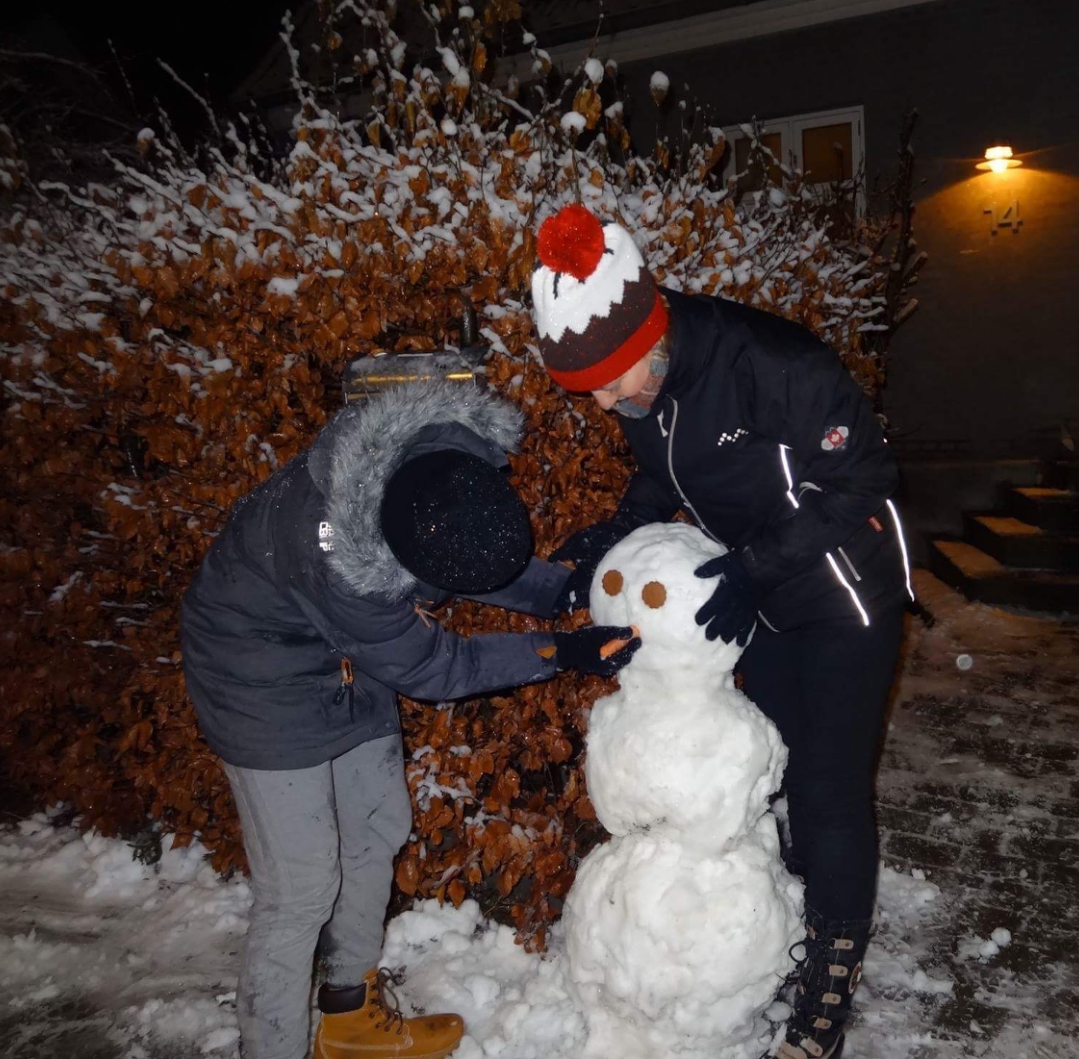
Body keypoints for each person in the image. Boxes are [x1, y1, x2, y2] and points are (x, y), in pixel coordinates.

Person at [529, 205, 913, 1059]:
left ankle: (828, 993)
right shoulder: (646, 382)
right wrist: (609, 533)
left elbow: (865, 476)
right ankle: (792, 924)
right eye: (588, 389)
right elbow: (662, 478)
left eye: (613, 383)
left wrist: (750, 566)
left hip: (845, 591)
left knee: (829, 792)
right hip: (765, 594)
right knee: (780, 776)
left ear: (650, 336)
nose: (604, 403)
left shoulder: (768, 363)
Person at [180, 378, 636, 1059]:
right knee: (302, 887)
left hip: (343, 657)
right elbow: (436, 667)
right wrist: (560, 650)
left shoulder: (438, 465)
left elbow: (459, 547)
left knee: (376, 830)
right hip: (256, 680)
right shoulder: (336, 554)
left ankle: (349, 1016)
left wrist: (561, 590)